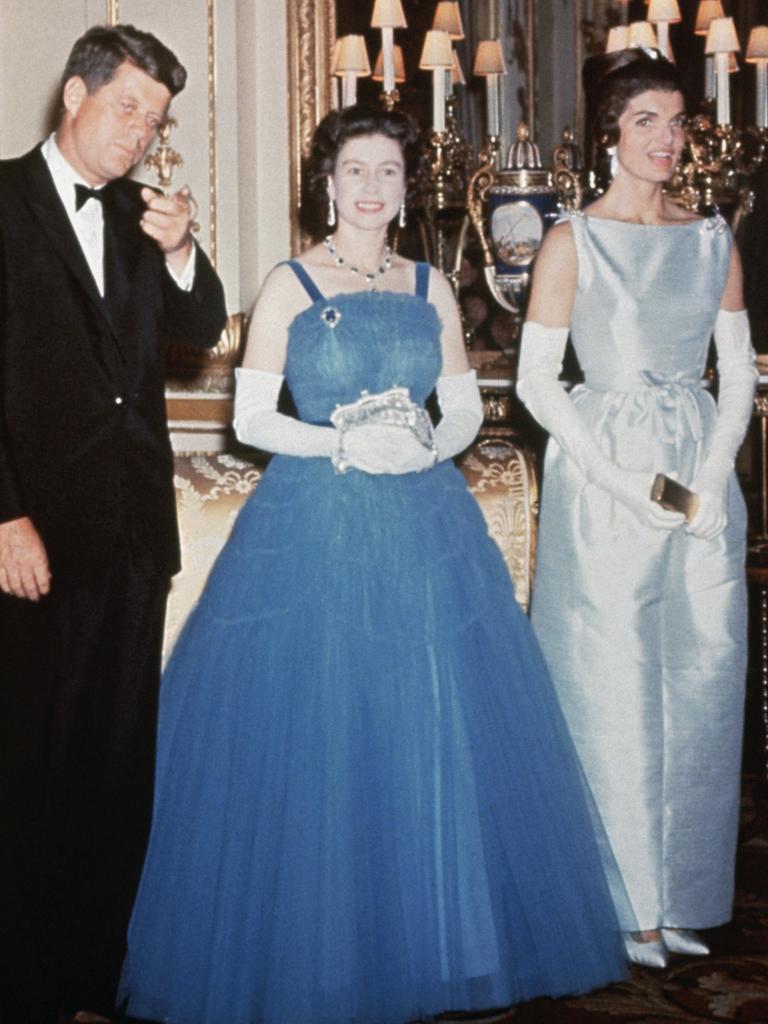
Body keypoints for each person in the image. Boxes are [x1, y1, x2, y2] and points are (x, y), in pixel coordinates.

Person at [118, 104, 629, 1024]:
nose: (371, 188)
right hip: (313, 524)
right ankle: (319, 953)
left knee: (426, 720)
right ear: (327, 182)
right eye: (355, 170)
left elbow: (469, 407)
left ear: (404, 187)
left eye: (388, 173)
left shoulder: (432, 283)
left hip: (422, 525)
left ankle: (438, 946)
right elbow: (251, 419)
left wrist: (427, 444)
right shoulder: (288, 284)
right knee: (323, 729)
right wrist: (345, 441)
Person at [0, 24, 227, 1023]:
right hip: (31, 536)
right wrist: (4, 513)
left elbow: (196, 337)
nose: (141, 134)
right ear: (74, 98)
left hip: (135, 534)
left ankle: (90, 979)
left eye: (156, 119)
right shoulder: (0, 204)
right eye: (128, 107)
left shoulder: (146, 217)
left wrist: (183, 256)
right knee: (25, 767)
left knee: (113, 772)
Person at [518, 47, 756, 969]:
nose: (667, 138)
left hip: (700, 480)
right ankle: (626, 905)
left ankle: (684, 893)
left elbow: (733, 373)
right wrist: (625, 482)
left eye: (677, 119)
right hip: (607, 478)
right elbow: (539, 384)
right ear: (611, 136)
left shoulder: (711, 238)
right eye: (645, 121)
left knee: (702, 676)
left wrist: (709, 474)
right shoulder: (572, 238)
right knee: (613, 688)